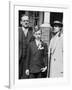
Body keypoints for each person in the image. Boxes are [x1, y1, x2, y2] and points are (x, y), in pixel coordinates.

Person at [19, 14, 34, 79]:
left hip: (28, 60)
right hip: (18, 59)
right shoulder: (16, 31)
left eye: (27, 21)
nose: (26, 22)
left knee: (25, 77)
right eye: (24, 20)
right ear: (21, 22)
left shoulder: (32, 32)